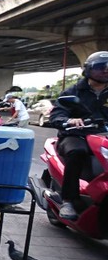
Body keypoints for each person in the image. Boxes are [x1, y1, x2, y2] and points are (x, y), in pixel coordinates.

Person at [48, 51, 108, 220]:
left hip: (103, 136)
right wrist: (69, 120)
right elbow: (57, 114)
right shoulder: (74, 91)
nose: (105, 70)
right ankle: (68, 200)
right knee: (77, 152)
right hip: (76, 135)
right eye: (100, 67)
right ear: (88, 69)